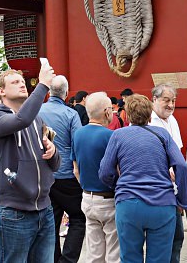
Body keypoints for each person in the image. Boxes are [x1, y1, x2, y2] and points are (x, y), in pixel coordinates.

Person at [99, 94, 187, 262]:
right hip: (162, 203)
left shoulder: (118, 135)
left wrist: (118, 186)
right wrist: (183, 200)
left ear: (127, 115)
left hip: (129, 202)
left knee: (130, 257)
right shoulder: (162, 134)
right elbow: (181, 165)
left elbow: (105, 171)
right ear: (150, 115)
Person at [0, 65, 59, 263]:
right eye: (15, 82)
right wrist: (43, 85)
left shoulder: (37, 120)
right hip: (14, 212)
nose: (22, 84)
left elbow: (55, 165)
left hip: (44, 209)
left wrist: (53, 152)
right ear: (1, 91)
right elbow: (21, 120)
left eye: (22, 81)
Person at [40, 74, 85, 263]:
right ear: (66, 93)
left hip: (44, 174)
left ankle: (53, 258)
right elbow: (78, 143)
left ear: (49, 92)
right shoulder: (71, 114)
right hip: (66, 174)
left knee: (51, 221)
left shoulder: (37, 111)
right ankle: (67, 260)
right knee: (78, 218)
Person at [71, 92, 119, 263]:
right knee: (114, 253)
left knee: (94, 254)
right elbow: (118, 169)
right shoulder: (111, 136)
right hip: (108, 199)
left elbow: (76, 170)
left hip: (87, 198)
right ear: (107, 112)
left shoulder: (78, 134)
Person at [150, 83, 185, 262]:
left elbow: (178, 151)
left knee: (177, 238)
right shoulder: (146, 121)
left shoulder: (173, 120)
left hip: (173, 189)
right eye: (166, 100)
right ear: (154, 99)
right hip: (155, 189)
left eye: (173, 101)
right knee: (158, 242)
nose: (171, 105)